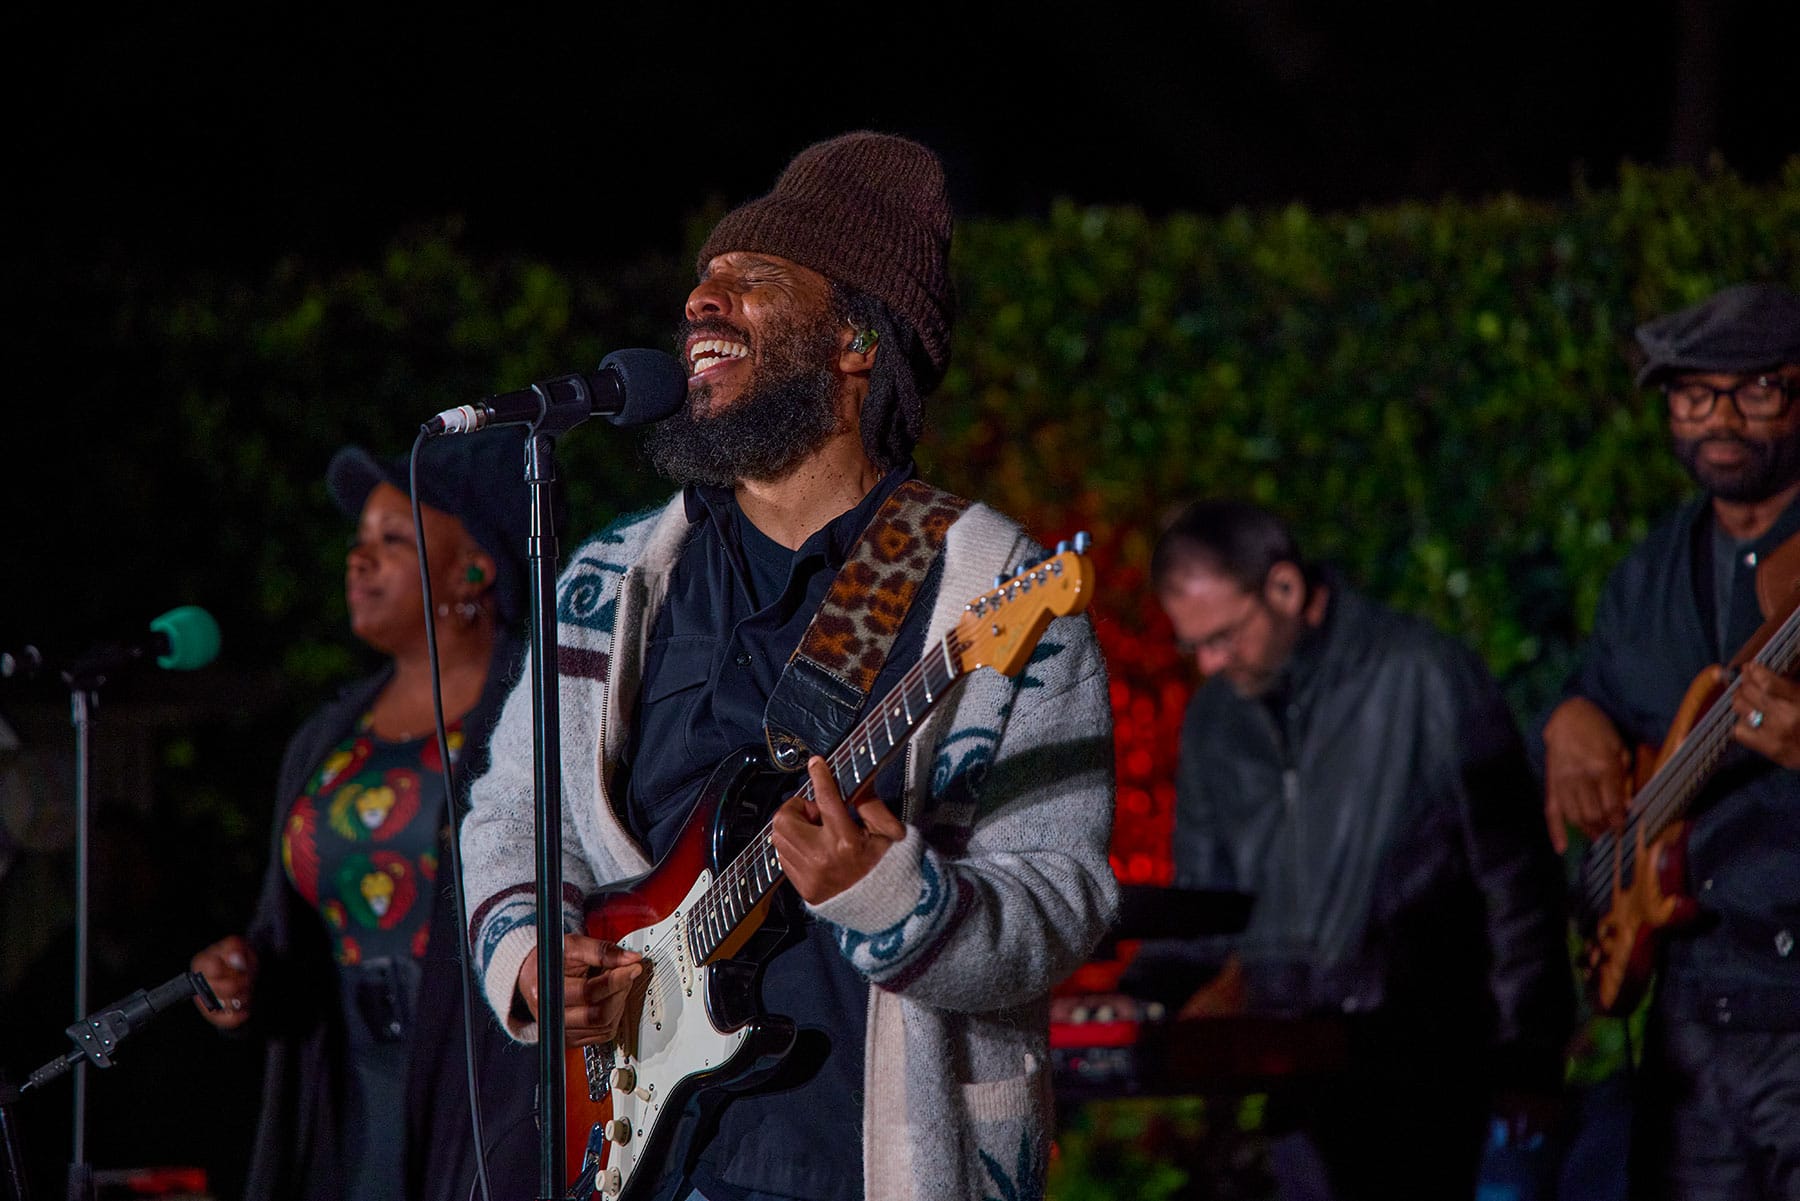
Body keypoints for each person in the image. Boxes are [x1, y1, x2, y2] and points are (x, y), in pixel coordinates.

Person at [459, 131, 1119, 1201]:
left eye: (752, 278)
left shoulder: (993, 589)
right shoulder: (611, 581)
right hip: (640, 1155)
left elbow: (1061, 893)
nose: (699, 303)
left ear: (857, 341)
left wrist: (894, 896)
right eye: (703, 279)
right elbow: (511, 810)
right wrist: (533, 956)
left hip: (874, 1163)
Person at [1147, 499, 1573, 1201]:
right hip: (1289, 1075)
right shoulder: (1217, 717)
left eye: (1223, 636)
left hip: (1424, 1071)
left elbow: (1517, 880)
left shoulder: (1425, 673)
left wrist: (1530, 1055)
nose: (1210, 663)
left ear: (1285, 588)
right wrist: (1138, 1004)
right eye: (1195, 645)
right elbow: (1204, 904)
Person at [190, 433, 540, 1201]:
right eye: (358, 541)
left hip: (486, 1095)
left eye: (392, 540)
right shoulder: (328, 737)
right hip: (344, 1094)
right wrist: (245, 979)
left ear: (475, 567)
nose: (359, 558)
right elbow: (284, 935)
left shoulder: (536, 709)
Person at [1541, 281, 1800, 1200]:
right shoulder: (1647, 572)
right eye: (1693, 394)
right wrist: (1568, 718)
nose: (1720, 418)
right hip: (1688, 1022)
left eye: (1756, 389)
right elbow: (1603, 697)